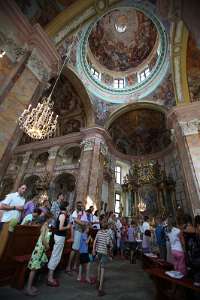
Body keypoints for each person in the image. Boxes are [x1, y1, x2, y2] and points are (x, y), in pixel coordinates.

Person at [25, 214, 52, 296]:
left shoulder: (47, 226)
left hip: (42, 249)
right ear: (48, 219)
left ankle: (31, 285)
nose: (52, 220)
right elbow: (43, 238)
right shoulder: (44, 226)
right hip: (39, 248)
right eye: (51, 218)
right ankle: (28, 288)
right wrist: (47, 245)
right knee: (34, 268)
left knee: (37, 267)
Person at [47, 202, 70, 286]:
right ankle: (50, 278)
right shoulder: (63, 215)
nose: (69, 208)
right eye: (68, 207)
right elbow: (60, 228)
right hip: (59, 237)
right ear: (65, 207)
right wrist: (67, 227)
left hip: (59, 237)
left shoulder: (62, 215)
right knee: (56, 256)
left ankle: (50, 276)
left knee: (55, 255)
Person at [66, 202, 88, 274]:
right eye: (80, 206)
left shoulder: (83, 213)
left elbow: (86, 222)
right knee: (74, 249)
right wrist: (83, 223)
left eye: (82, 206)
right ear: (78, 206)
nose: (82, 207)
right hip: (77, 231)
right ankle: (68, 267)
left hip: (83, 232)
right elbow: (76, 221)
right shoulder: (75, 212)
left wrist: (84, 223)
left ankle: (75, 266)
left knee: (79, 250)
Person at [93, 220, 113, 297]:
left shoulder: (99, 232)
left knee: (99, 265)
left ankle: (98, 280)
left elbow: (95, 241)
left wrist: (94, 249)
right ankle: (100, 288)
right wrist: (110, 252)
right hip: (104, 252)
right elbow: (108, 244)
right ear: (107, 227)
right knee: (103, 268)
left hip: (99, 251)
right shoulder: (107, 233)